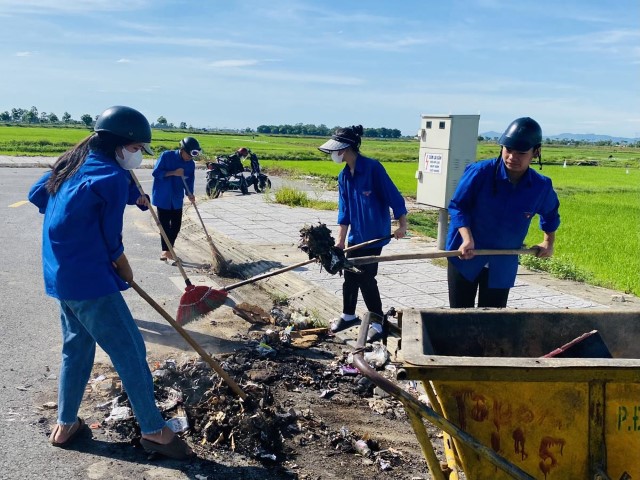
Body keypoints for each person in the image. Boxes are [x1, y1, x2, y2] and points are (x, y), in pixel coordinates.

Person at [28, 106, 193, 459]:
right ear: (120, 146)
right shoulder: (110, 178)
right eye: (136, 148)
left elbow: (36, 195)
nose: (138, 155)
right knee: (130, 349)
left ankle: (65, 423)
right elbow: (110, 240)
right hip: (90, 281)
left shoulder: (71, 165)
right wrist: (124, 267)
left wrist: (86, 211)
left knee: (77, 347)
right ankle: (154, 431)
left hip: (61, 275)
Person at [446, 117, 560, 308]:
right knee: (459, 317)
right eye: (508, 150)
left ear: (536, 152)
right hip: (466, 255)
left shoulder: (540, 186)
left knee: (493, 320)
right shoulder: (479, 172)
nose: (512, 157)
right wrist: (466, 237)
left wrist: (548, 242)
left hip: (503, 261)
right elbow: (458, 206)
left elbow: (550, 214)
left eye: (521, 153)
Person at [318, 125, 407, 342]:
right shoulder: (344, 176)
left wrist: (402, 225)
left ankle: (378, 322)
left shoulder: (373, 168)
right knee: (349, 276)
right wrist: (340, 241)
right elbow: (344, 211)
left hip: (375, 235)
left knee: (366, 278)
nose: (333, 155)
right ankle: (348, 315)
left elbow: (393, 196)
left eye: (335, 151)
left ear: (346, 149)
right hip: (355, 237)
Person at [151, 136, 200, 261]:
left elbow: (190, 181)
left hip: (177, 198)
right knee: (165, 226)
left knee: (176, 226)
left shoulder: (191, 164)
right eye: (188, 155)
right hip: (163, 197)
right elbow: (156, 173)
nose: (189, 158)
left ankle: (168, 250)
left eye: (192, 156)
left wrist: (190, 193)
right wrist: (173, 172)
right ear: (182, 149)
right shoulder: (166, 156)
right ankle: (166, 251)